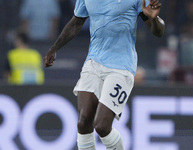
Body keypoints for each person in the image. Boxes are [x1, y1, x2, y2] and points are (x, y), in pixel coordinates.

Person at [44, 0, 165, 149]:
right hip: (93, 62)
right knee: (83, 122)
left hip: (121, 66)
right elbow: (76, 23)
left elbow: (158, 32)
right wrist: (55, 48)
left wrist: (153, 18)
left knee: (102, 126)